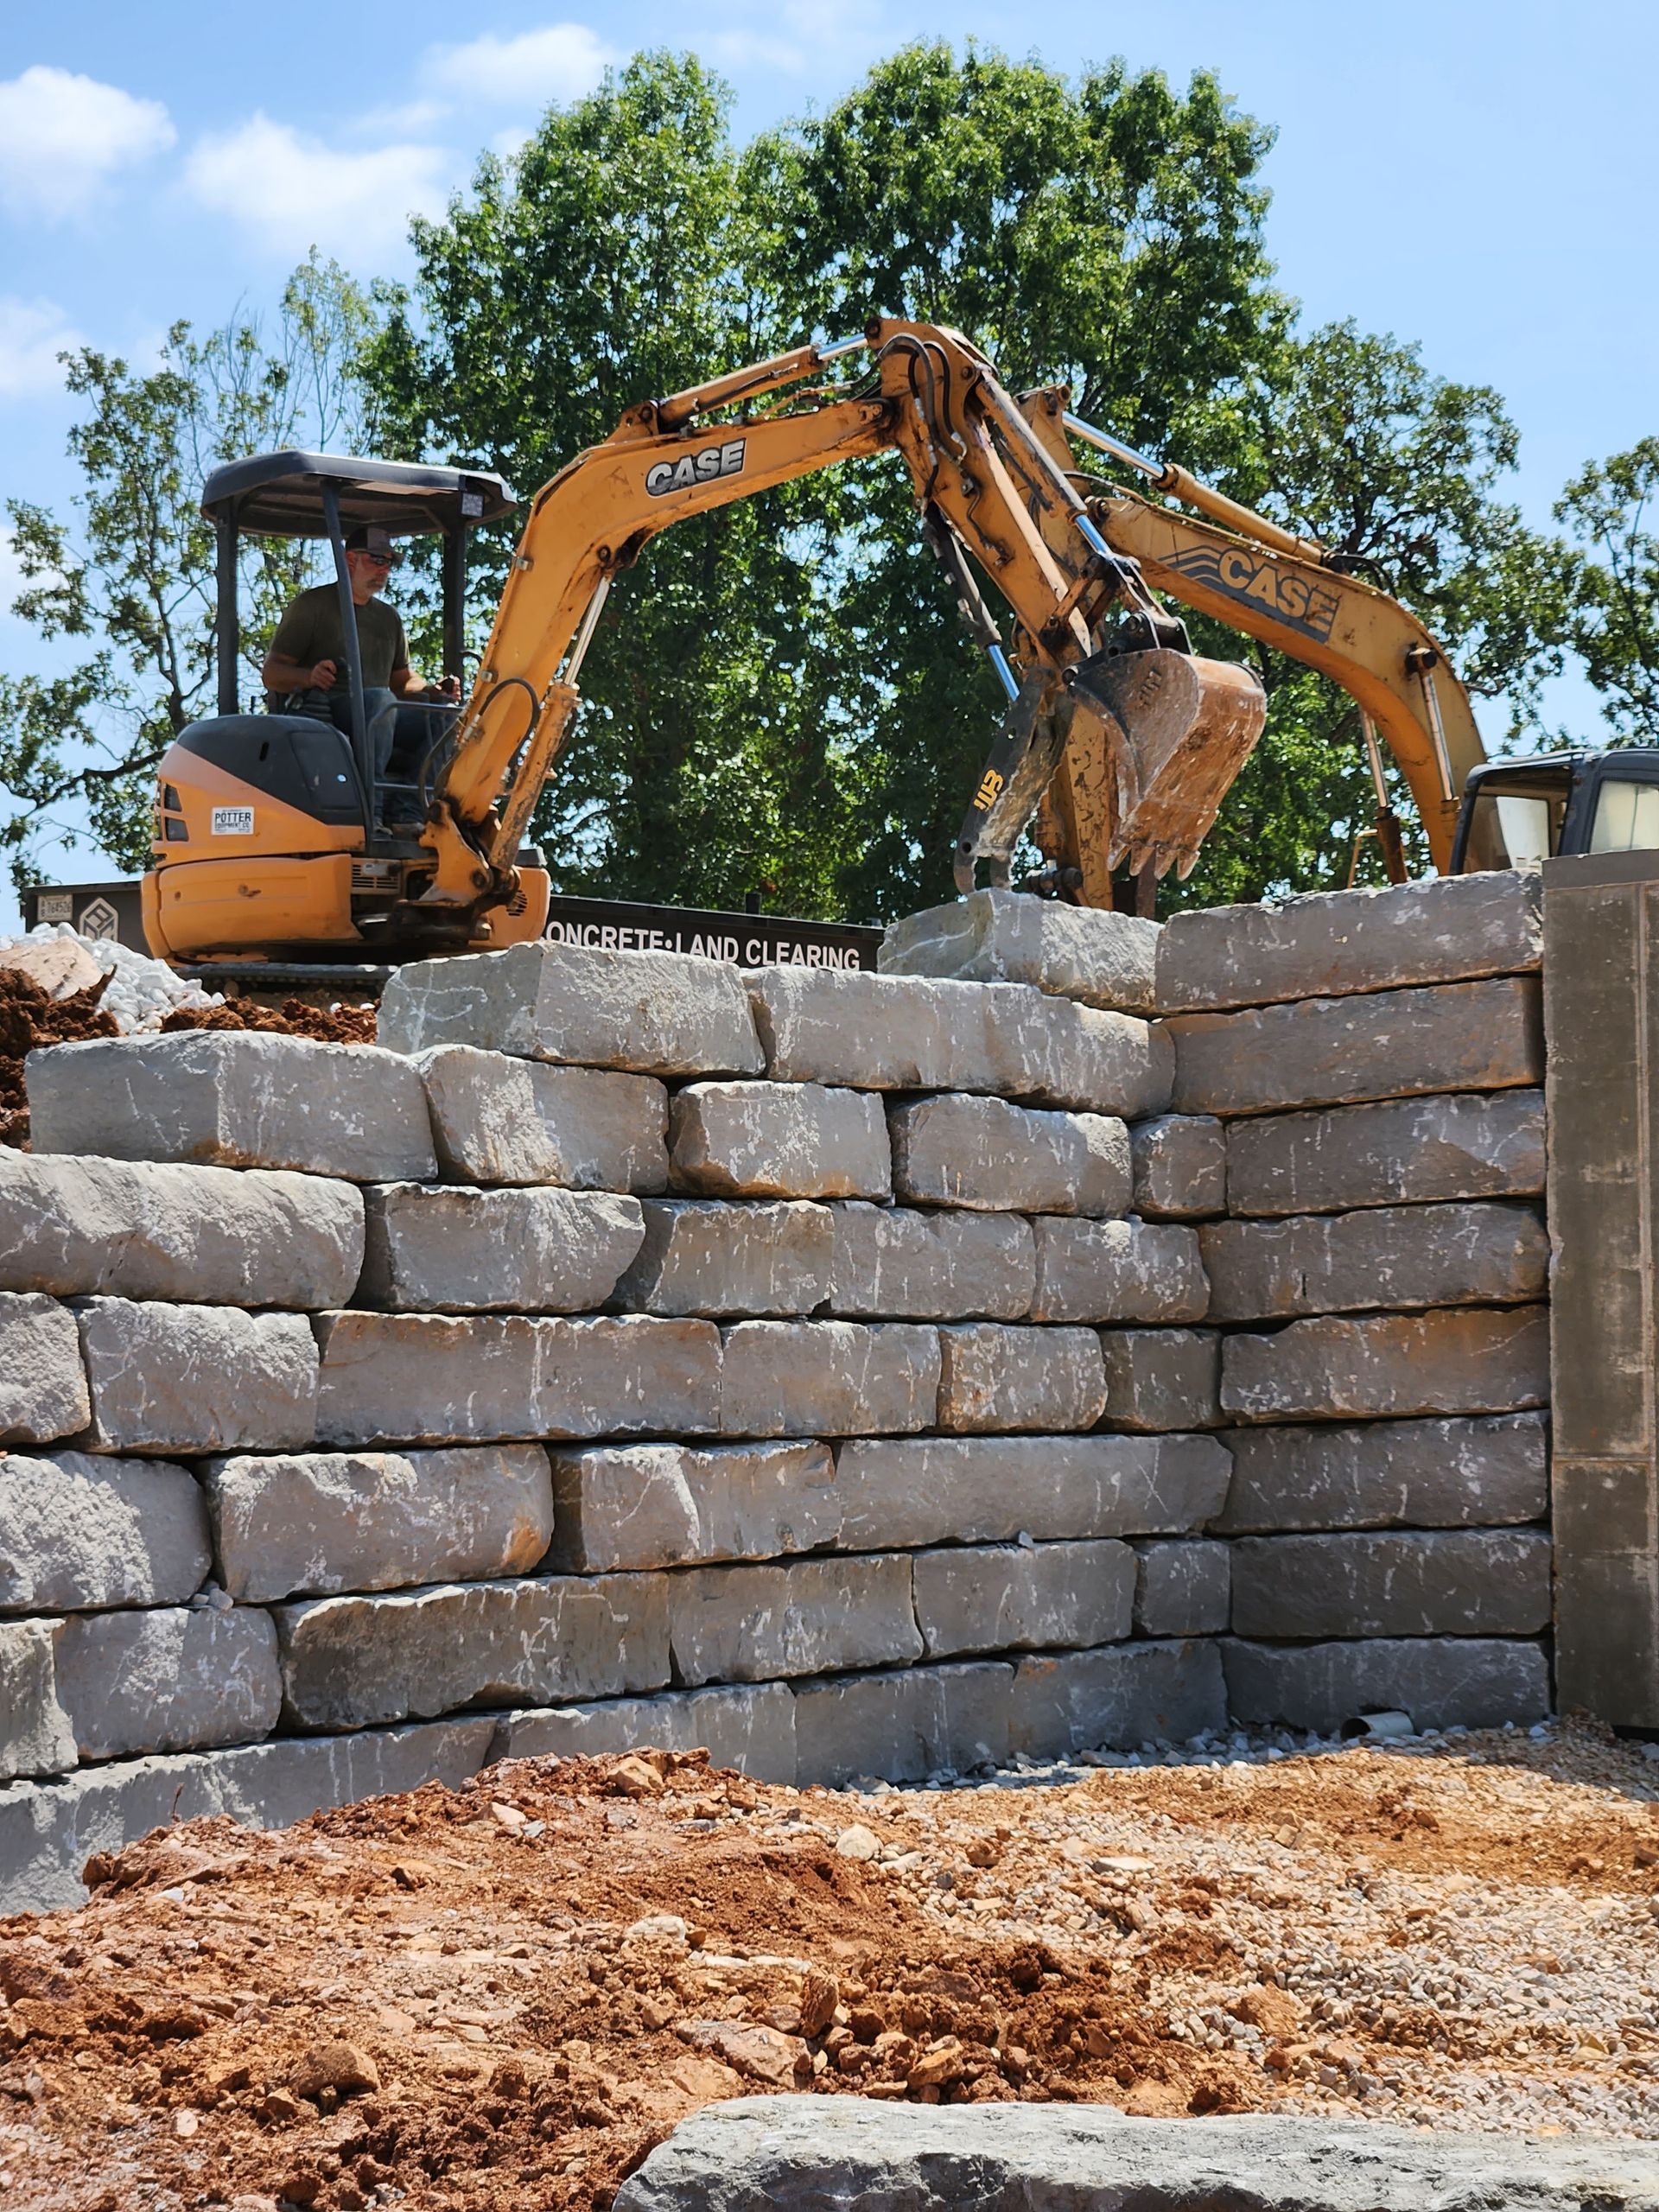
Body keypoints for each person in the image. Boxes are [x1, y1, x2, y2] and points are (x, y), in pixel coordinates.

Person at [262, 525, 460, 810]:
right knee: (381, 701)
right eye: (377, 560)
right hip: (330, 715)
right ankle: (371, 809)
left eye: (389, 563)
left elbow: (402, 681)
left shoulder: (388, 618)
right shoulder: (313, 606)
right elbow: (272, 673)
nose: (384, 570)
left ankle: (410, 808)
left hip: (381, 713)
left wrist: (433, 690)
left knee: (447, 716)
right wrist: (310, 676)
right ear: (350, 559)